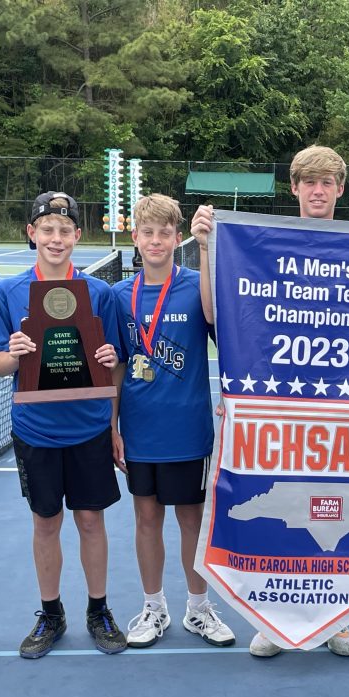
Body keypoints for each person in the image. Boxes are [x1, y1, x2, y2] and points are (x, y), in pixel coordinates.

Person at [191, 145, 349, 656]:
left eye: (327, 182)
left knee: (332, 508)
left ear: (340, 189)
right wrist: (208, 248)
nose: (318, 190)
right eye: (309, 182)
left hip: (342, 410)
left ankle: (336, 621)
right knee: (281, 505)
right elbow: (215, 315)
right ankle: (272, 620)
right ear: (295, 188)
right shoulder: (259, 245)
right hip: (275, 407)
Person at [0, 192, 126, 658]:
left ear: (77, 236)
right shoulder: (7, 293)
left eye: (64, 230)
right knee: (45, 523)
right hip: (35, 430)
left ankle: (98, 609)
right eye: (47, 229)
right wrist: (14, 353)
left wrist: (108, 361)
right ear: (32, 233)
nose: (55, 238)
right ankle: (51, 613)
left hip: (89, 428)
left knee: (90, 520)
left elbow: (112, 362)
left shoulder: (100, 294)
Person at [112, 193, 235, 649]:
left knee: (191, 520)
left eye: (165, 233)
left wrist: (206, 248)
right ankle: (154, 606)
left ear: (177, 237)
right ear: (135, 237)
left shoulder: (197, 285)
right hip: (139, 431)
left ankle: (198, 608)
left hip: (187, 430)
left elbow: (222, 330)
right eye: (148, 232)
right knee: (146, 518)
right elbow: (117, 365)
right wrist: (112, 427)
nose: (156, 241)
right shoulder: (118, 296)